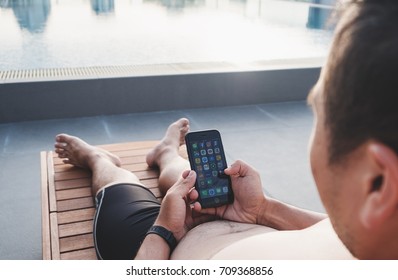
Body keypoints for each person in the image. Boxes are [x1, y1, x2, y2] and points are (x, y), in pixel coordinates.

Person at [54, 0, 398, 260]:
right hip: (244, 219)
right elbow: (334, 230)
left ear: (377, 181)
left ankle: (98, 158)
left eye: (317, 114)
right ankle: (165, 153)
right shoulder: (380, 236)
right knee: (189, 181)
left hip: (163, 242)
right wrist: (262, 209)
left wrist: (165, 231)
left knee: (120, 186)